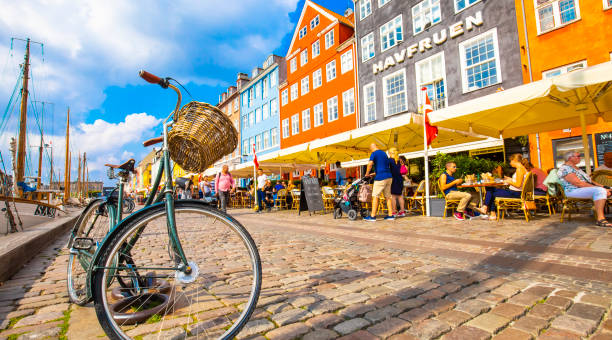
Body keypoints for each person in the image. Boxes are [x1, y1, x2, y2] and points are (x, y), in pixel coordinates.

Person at [558, 151, 611, 228]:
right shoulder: (565, 168)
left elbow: (590, 181)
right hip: (573, 191)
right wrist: (599, 188)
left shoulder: (576, 168)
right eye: (578, 156)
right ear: (570, 158)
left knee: (606, 191)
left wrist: (605, 186)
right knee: (600, 191)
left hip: (583, 189)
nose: (580, 157)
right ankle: (600, 219)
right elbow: (578, 183)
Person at [482, 154, 528, 220]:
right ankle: (489, 211)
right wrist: (510, 179)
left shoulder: (519, 169)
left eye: (510, 161)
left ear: (514, 160)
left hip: (516, 193)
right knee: (491, 190)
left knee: (491, 190)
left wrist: (509, 181)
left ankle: (487, 209)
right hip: (517, 192)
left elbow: (518, 185)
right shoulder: (522, 168)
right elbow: (519, 181)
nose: (510, 163)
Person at [364, 143, 394, 221]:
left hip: (380, 178)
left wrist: (367, 174)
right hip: (389, 177)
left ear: (371, 148)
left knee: (375, 196)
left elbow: (370, 164)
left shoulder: (374, 153)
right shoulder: (384, 153)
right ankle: (391, 215)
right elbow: (384, 167)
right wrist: (373, 174)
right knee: (388, 196)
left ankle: (373, 216)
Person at [388, 147, 406, 217]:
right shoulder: (400, 160)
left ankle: (394, 212)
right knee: (400, 196)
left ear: (390, 153)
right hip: (400, 179)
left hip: (394, 180)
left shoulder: (389, 160)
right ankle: (402, 211)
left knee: (393, 196)